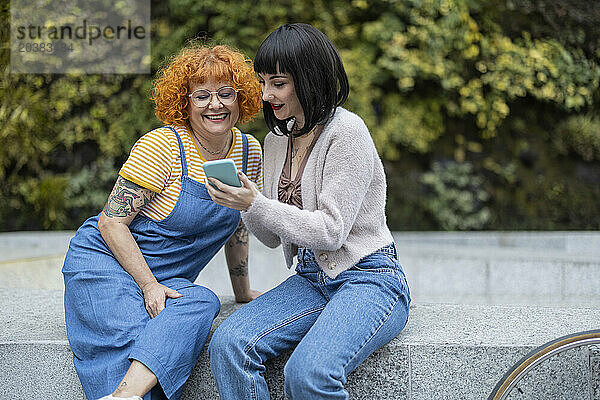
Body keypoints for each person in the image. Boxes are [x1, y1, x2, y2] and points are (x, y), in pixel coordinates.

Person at [207, 23, 411, 400]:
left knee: (307, 374)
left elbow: (331, 231)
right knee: (229, 343)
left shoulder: (347, 132)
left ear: (308, 78)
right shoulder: (274, 142)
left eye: (278, 82)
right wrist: (243, 204)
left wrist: (257, 204)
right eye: (263, 81)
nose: (267, 94)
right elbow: (271, 237)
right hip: (311, 279)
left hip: (369, 279)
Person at [61, 44, 263, 400]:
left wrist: (242, 291)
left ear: (240, 98)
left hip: (170, 281)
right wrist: (149, 286)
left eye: (225, 93)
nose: (215, 104)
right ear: (184, 102)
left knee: (203, 300)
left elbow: (238, 224)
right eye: (201, 96)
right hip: (108, 263)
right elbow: (111, 224)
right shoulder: (162, 146)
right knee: (135, 336)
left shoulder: (250, 153)